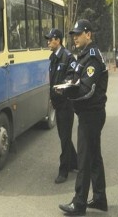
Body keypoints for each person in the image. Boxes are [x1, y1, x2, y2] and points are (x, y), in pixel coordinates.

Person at [55, 19, 108, 216]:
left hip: (91, 114)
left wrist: (67, 93)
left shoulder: (92, 57)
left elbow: (87, 89)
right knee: (94, 157)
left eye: (78, 34)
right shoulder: (83, 55)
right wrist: (67, 83)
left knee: (84, 159)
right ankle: (100, 198)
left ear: (88, 34)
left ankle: (79, 205)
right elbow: (75, 77)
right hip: (89, 113)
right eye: (73, 35)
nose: (74, 37)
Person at [44, 28, 78, 184]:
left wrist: (61, 89)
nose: (48, 42)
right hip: (57, 103)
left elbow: (72, 78)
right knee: (63, 136)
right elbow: (52, 80)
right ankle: (75, 163)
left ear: (57, 40)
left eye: (50, 39)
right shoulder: (53, 57)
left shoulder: (68, 57)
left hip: (66, 104)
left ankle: (64, 170)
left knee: (64, 137)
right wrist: (52, 97)